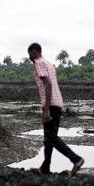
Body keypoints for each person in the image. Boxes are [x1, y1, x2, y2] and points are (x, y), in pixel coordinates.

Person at [28, 43, 84, 176]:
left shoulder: (39, 63)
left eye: (29, 53)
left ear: (34, 52)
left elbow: (48, 84)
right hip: (57, 103)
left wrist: (46, 109)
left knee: (51, 137)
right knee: (48, 138)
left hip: (51, 105)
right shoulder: (49, 64)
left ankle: (76, 159)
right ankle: (45, 168)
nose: (29, 57)